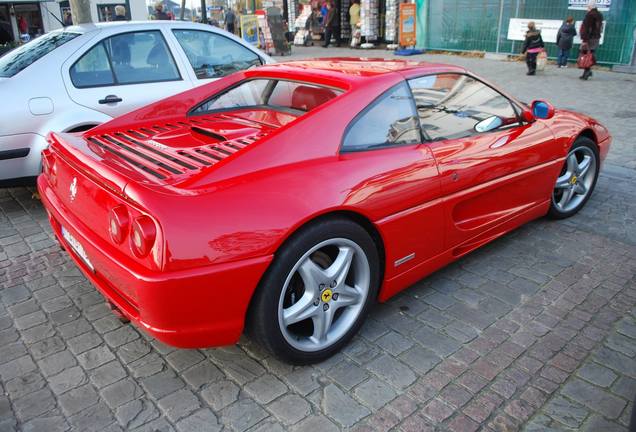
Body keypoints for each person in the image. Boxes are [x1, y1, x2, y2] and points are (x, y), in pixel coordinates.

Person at [579, 0, 603, 80]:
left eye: (587, 6)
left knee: (585, 54)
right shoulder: (599, 15)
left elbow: (586, 28)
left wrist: (585, 40)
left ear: (590, 7)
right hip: (595, 38)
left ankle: (587, 72)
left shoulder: (589, 15)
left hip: (589, 38)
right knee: (590, 54)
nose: (587, 8)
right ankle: (587, 71)